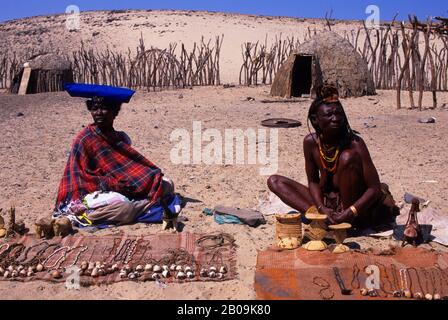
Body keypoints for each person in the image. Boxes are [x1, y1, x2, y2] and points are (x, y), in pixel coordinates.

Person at [267, 85, 399, 230]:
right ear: (315, 119)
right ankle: (320, 218)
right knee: (275, 181)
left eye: (338, 114)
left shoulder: (355, 143)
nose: (335, 119)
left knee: (347, 157)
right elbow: (313, 182)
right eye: (329, 115)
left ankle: (345, 223)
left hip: (352, 207)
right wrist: (321, 207)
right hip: (325, 202)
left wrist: (350, 212)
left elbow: (374, 188)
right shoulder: (310, 143)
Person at [54, 83, 180, 227]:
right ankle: (84, 217)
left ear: (115, 112)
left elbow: (127, 166)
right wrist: (111, 184)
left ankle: (143, 204)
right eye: (95, 109)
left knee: (166, 184)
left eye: (104, 108)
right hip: (89, 193)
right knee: (126, 209)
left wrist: (130, 181)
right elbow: (81, 177)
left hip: (119, 188)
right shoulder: (85, 139)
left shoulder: (117, 137)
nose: (99, 113)